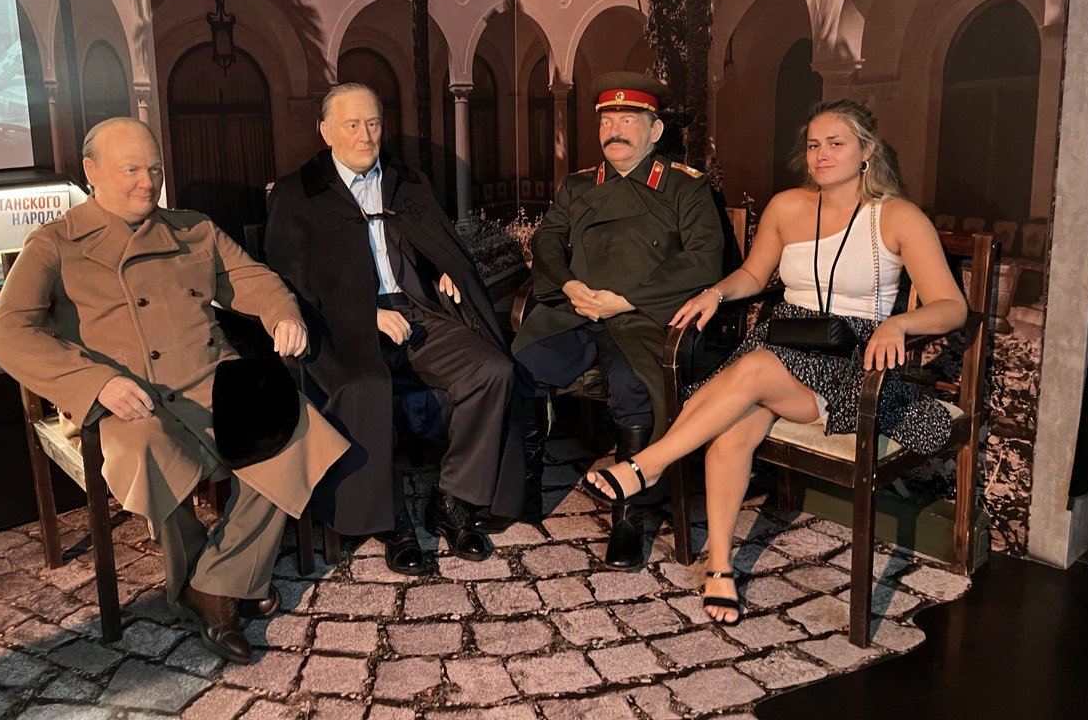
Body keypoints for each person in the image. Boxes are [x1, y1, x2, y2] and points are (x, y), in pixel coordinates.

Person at [584, 99, 967, 624]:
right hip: (783, 337)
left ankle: (647, 465)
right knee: (732, 429)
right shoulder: (787, 207)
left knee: (755, 368)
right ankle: (720, 568)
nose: (821, 154)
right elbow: (754, 274)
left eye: (836, 144)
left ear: (866, 151)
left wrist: (899, 324)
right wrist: (717, 293)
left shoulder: (898, 216)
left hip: (851, 356)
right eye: (813, 145)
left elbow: (951, 306)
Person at [0, 118, 348, 664]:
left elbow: (252, 279)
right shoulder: (55, 243)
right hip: (124, 398)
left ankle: (213, 583)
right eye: (130, 169)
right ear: (91, 171)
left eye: (154, 169)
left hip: (209, 379)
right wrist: (96, 382)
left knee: (292, 427)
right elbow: (8, 333)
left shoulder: (193, 229)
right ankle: (228, 583)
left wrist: (282, 314)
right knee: (150, 449)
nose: (147, 182)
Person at [264, 83, 526, 575]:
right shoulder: (298, 193)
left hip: (416, 310)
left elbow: (433, 242)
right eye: (352, 124)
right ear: (325, 132)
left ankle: (452, 498)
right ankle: (391, 520)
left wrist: (442, 270)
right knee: (366, 387)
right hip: (341, 328)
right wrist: (364, 314)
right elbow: (286, 282)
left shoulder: (407, 181)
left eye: (373, 123)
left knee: (493, 371)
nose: (365, 136)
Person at [514, 72, 725, 568]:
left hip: (645, 318)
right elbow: (547, 240)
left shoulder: (685, 187)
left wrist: (626, 300)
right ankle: (523, 491)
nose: (616, 131)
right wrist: (568, 285)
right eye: (608, 121)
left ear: (655, 130)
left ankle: (629, 517)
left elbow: (702, 258)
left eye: (629, 120)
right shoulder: (578, 185)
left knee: (633, 384)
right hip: (578, 311)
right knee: (522, 364)